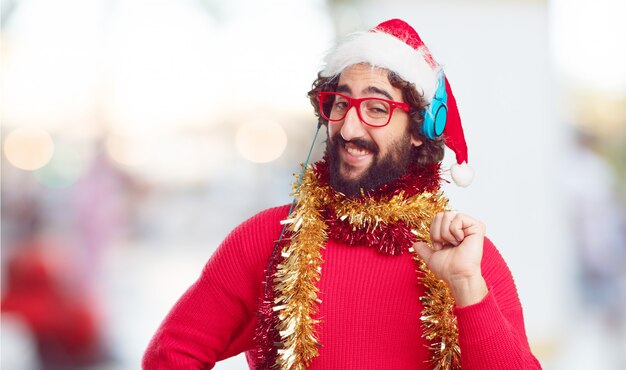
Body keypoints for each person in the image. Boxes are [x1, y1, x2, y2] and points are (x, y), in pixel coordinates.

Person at [143, 19, 541, 369]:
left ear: (421, 128)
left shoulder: (468, 257)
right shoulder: (267, 238)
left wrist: (467, 286)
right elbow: (170, 356)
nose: (349, 129)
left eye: (376, 108)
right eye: (340, 103)